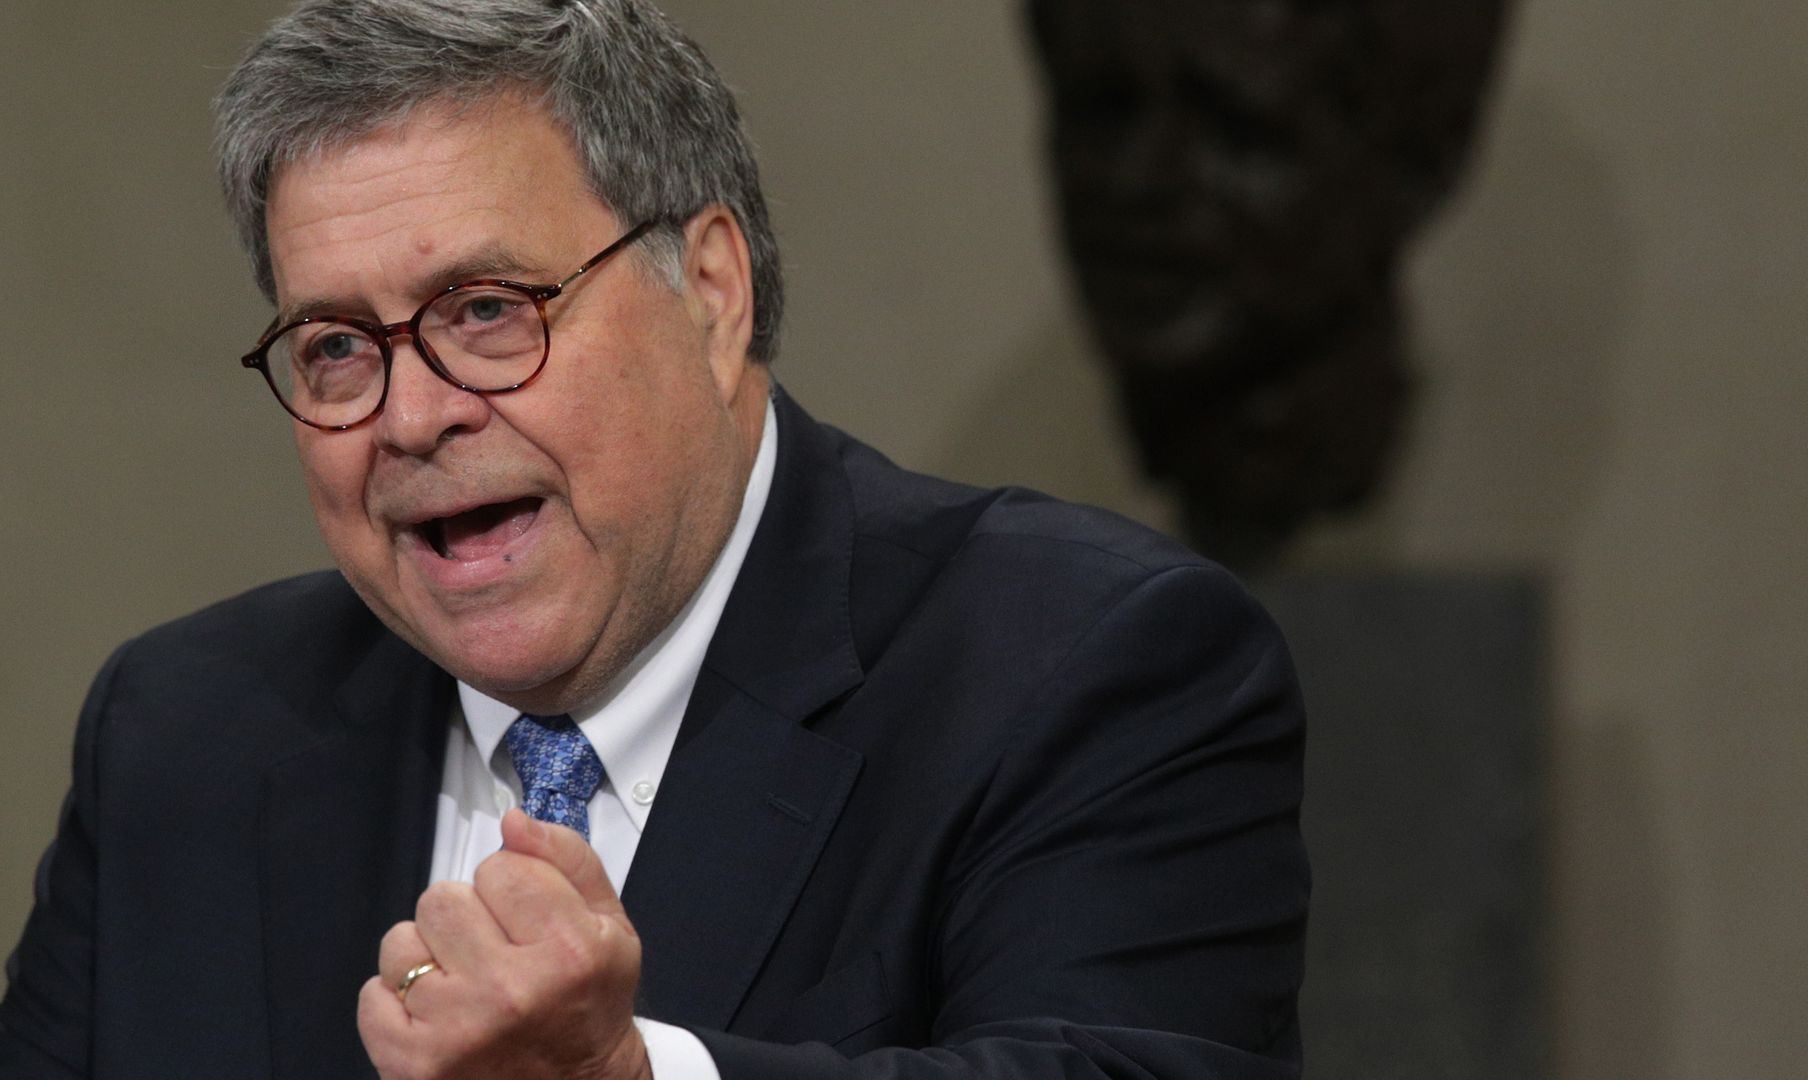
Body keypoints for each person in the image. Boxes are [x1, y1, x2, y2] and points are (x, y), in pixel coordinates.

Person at [0, 2, 1307, 1077]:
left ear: (714, 293)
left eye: (488, 309)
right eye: (338, 347)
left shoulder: (1084, 666)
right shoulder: (186, 731)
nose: (409, 417)